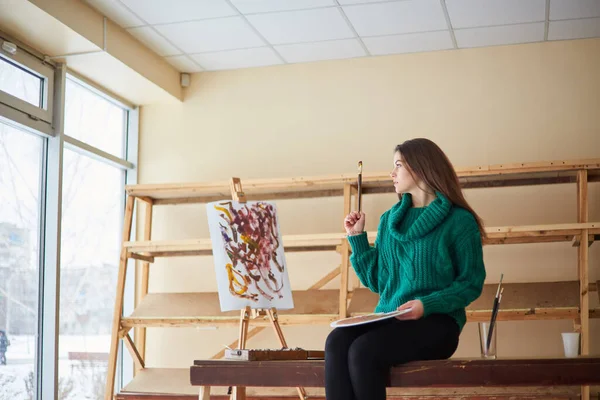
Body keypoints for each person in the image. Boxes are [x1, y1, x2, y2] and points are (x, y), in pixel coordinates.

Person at [324, 138, 487, 400]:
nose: (392, 173)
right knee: (336, 341)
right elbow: (379, 283)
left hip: (438, 324)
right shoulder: (389, 219)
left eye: (398, 165)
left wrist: (426, 304)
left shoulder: (459, 221)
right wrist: (357, 238)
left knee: (363, 350)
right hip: (390, 321)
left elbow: (471, 283)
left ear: (421, 167)